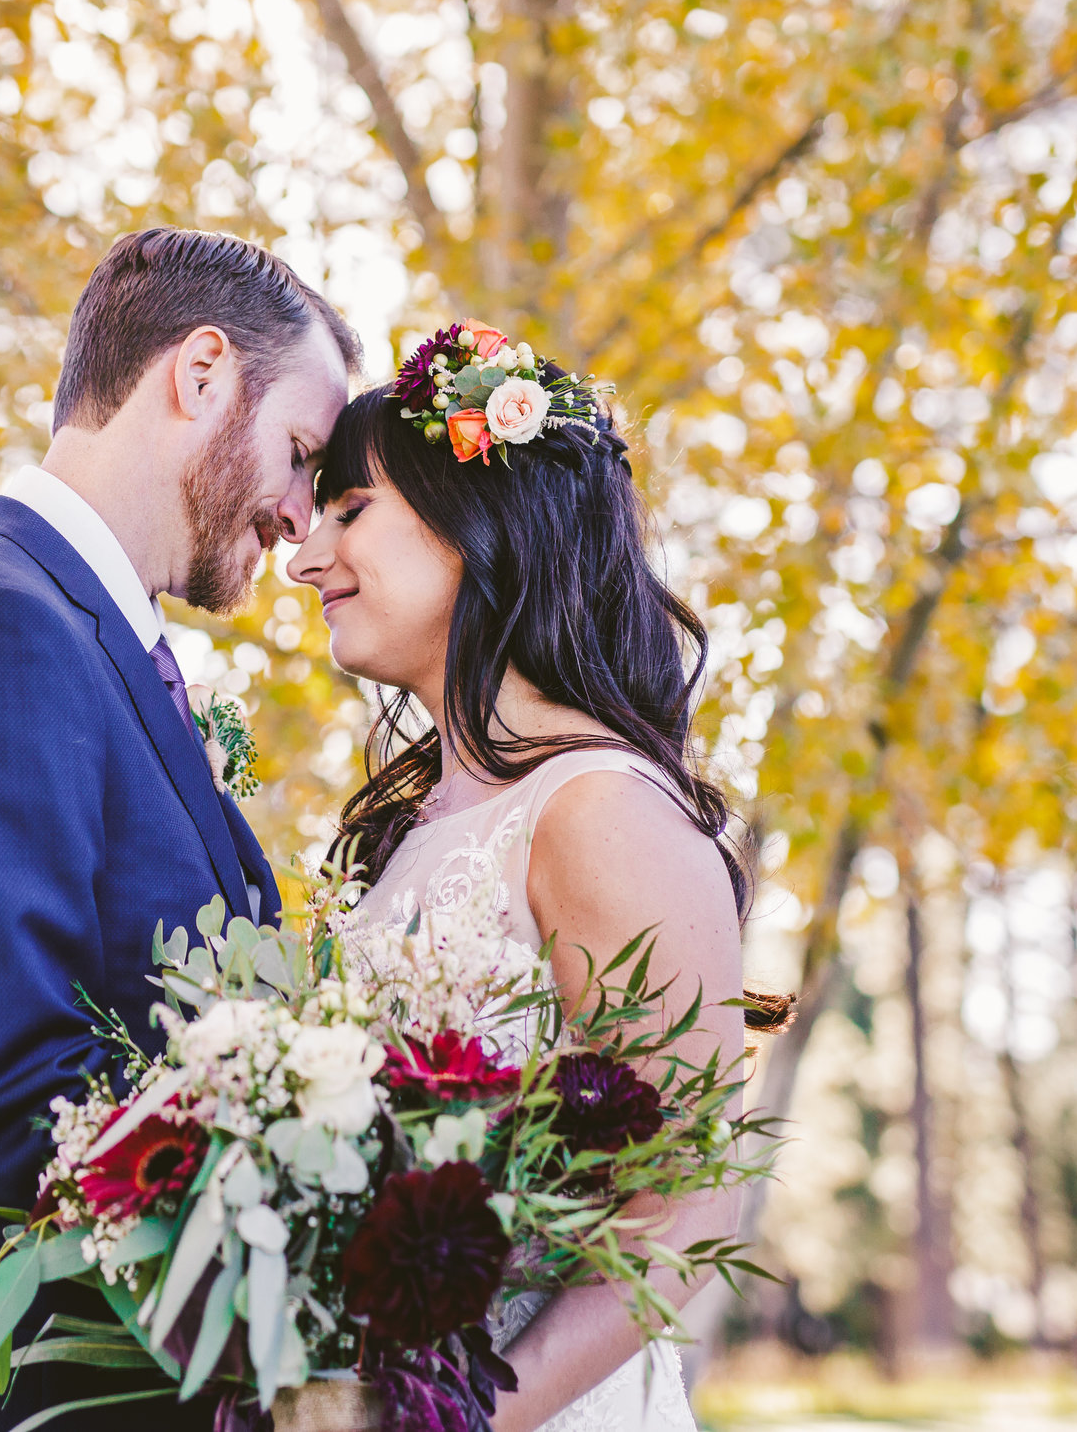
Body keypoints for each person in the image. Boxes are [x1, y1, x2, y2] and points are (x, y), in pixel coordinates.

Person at [0, 229, 358, 1432]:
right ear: (200, 372)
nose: (303, 521)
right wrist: (349, 1196)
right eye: (302, 454)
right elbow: (10, 1101)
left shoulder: (80, 641)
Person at [287, 324, 779, 1432]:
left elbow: (685, 1199)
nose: (306, 554)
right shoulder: (410, 827)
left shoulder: (599, 810)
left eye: (348, 510)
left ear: (478, 520)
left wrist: (458, 1415)